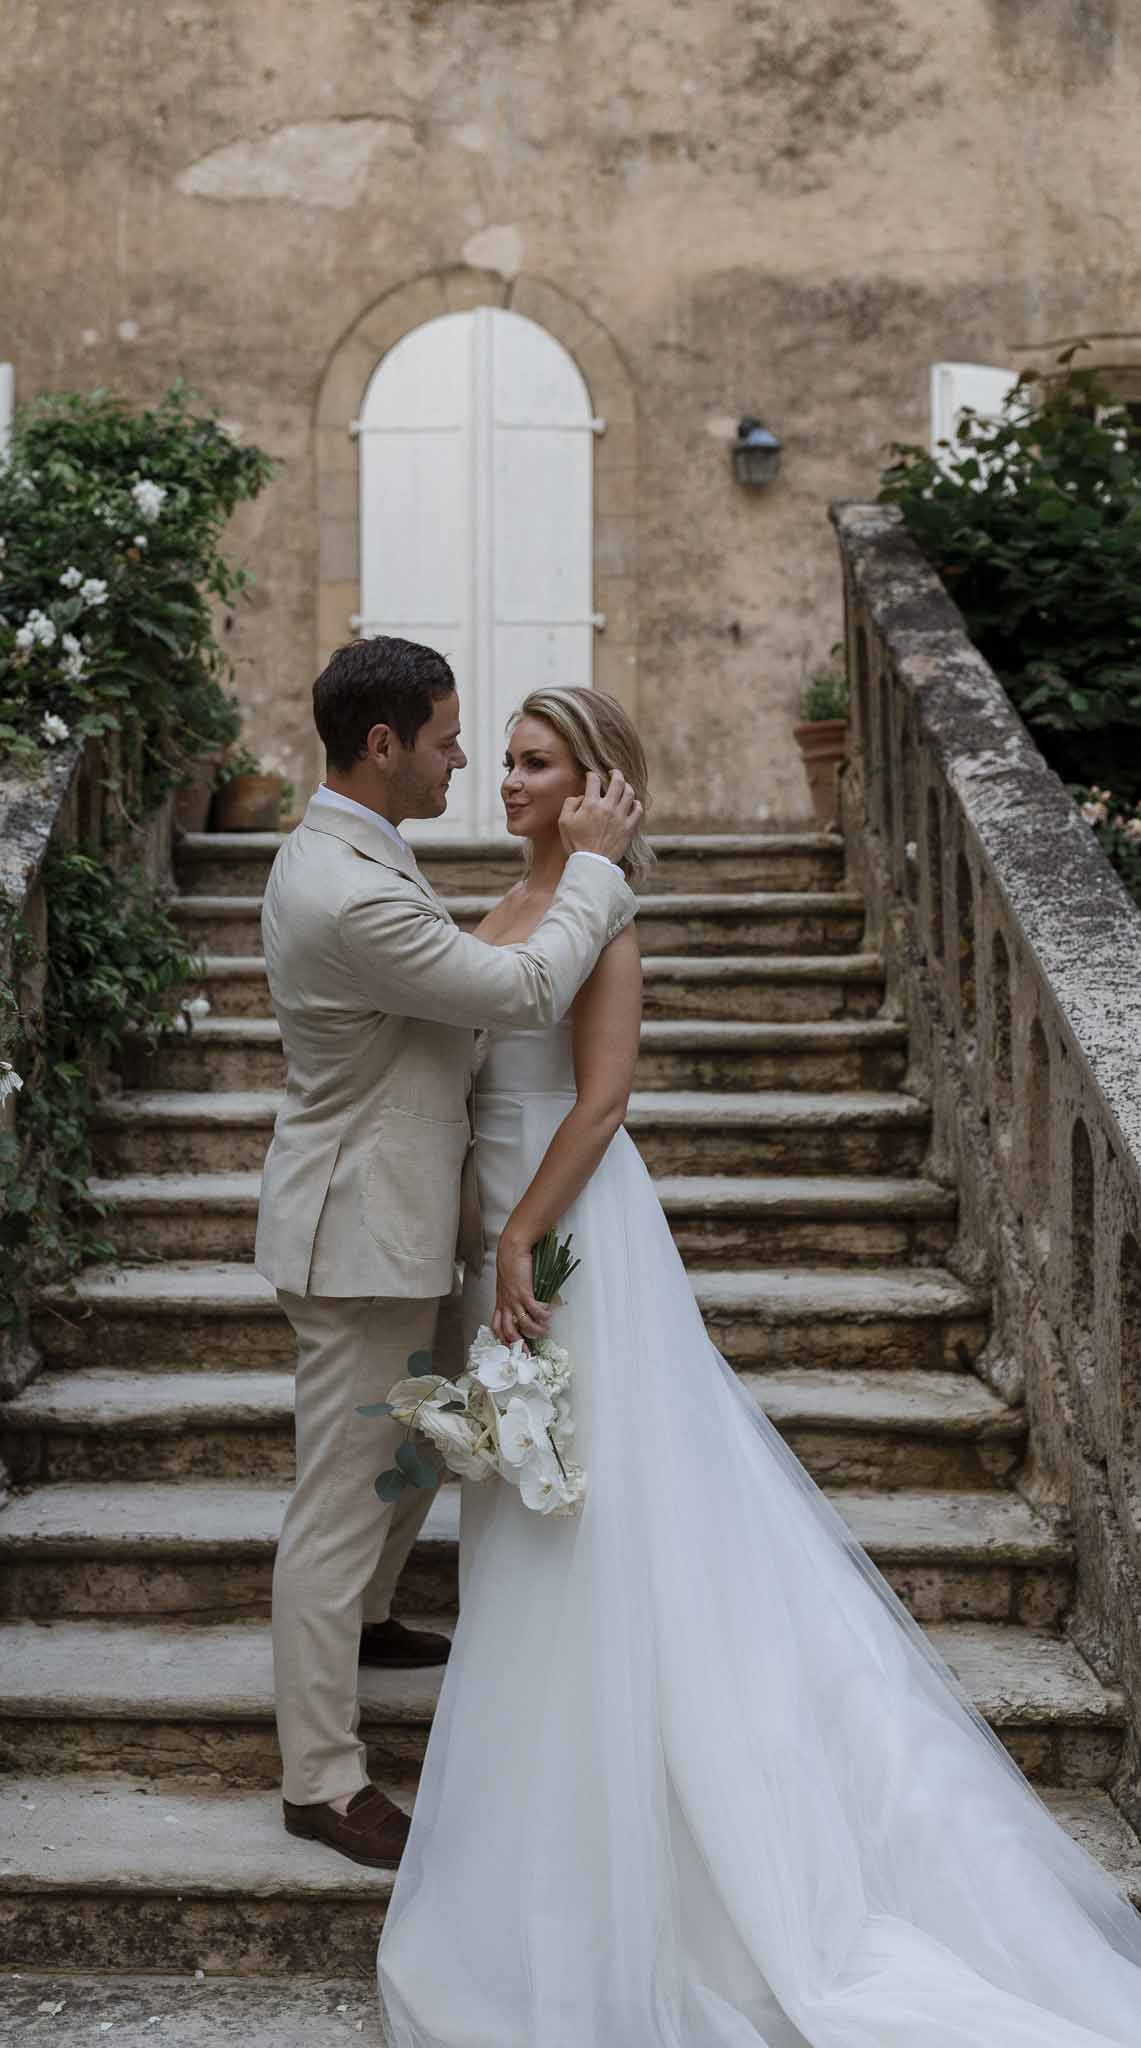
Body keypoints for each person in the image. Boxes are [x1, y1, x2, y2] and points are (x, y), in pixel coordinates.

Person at [377, 685, 1141, 2046]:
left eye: (536, 763)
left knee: (601, 1521)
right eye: (501, 759)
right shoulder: (503, 906)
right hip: (493, 1232)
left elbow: (603, 1101)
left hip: (566, 1238)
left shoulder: (602, 915)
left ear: (598, 782)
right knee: (528, 1514)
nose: (506, 780)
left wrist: (520, 1240)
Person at [255, 639, 643, 1871]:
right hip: (360, 1228)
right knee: (341, 1493)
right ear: (385, 746)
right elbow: (523, 990)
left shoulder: (366, 849)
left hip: (408, 1213)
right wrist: (595, 870)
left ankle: (368, 1617)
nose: (466, 761)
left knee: (420, 1439)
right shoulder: (347, 885)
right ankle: (320, 1778)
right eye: (449, 738)